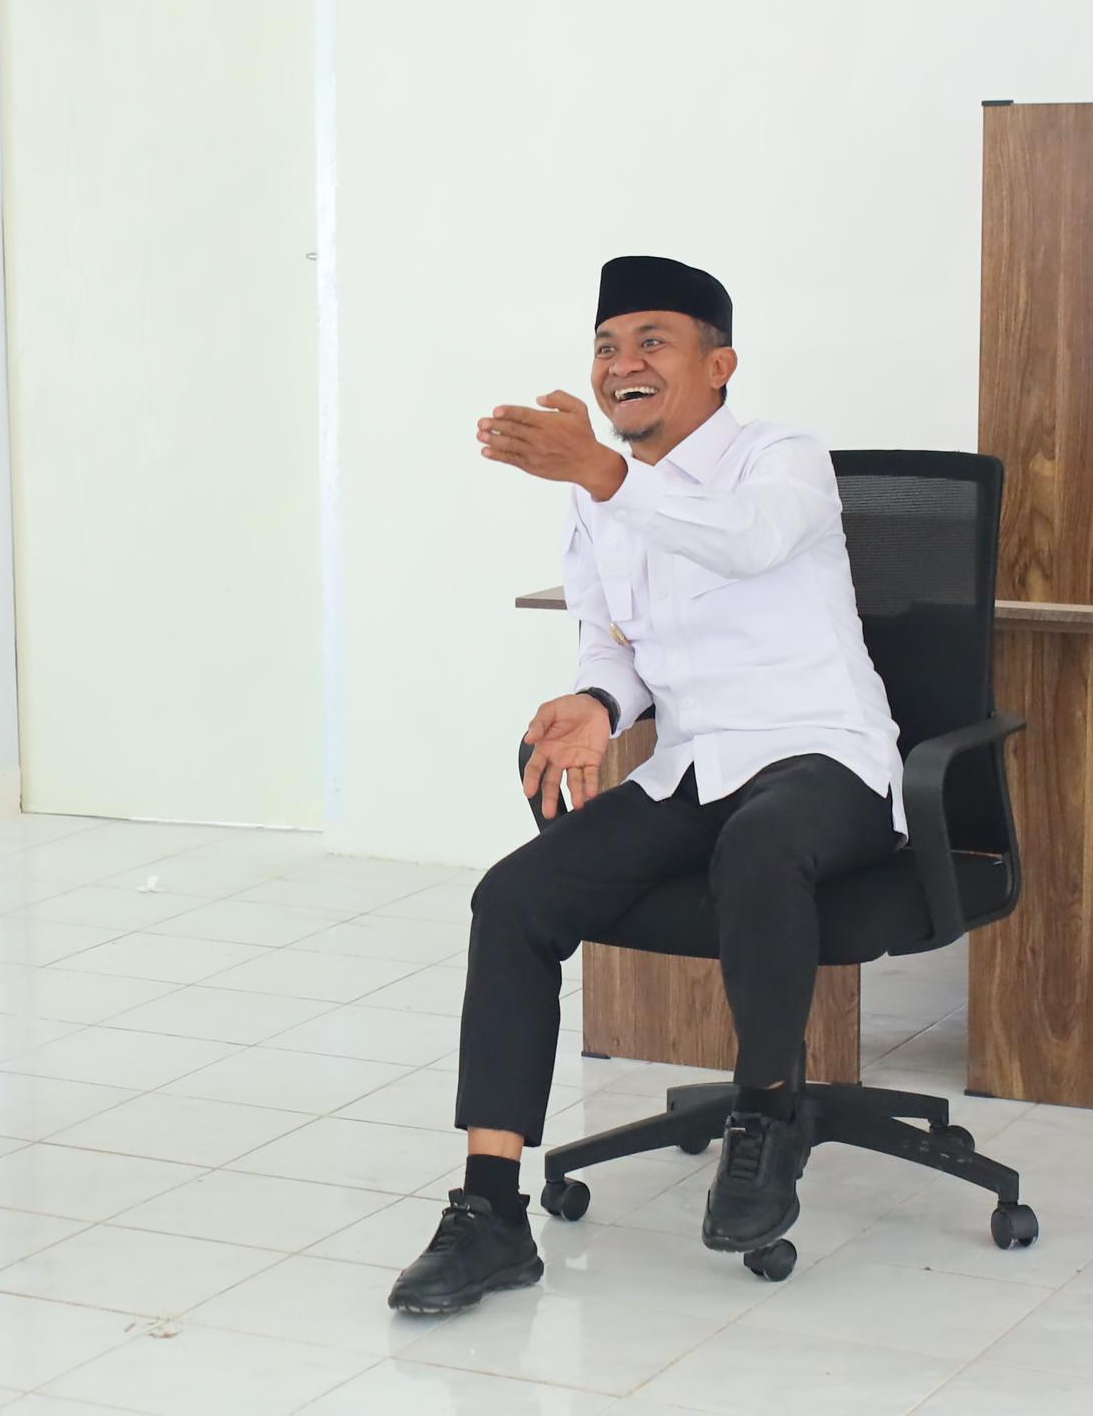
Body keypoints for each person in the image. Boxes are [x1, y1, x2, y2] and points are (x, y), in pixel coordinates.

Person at [388, 256, 905, 1314]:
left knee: (762, 843)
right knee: (513, 898)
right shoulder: (598, 502)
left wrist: (603, 475)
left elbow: (748, 545)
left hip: (823, 756)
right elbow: (615, 643)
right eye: (606, 345)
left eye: (652, 341)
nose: (623, 362)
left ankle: (767, 1118)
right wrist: (597, 701)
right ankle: (490, 1212)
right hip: (697, 765)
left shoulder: (782, 459)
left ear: (719, 365)